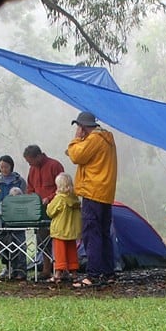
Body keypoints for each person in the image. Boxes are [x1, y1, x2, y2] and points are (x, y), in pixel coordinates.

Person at [66, 111, 117, 288]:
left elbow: (76, 156)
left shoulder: (94, 139)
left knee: (91, 233)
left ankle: (93, 275)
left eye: (79, 127)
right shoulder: (108, 138)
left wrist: (75, 139)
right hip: (105, 192)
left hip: (92, 191)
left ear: (83, 126)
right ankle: (108, 272)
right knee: (103, 233)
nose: (79, 131)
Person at [23, 144, 65, 280]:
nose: (30, 164)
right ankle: (46, 269)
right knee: (42, 240)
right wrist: (31, 200)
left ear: (39, 156)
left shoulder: (55, 165)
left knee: (59, 239)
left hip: (56, 209)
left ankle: (61, 269)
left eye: (31, 161)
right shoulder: (32, 170)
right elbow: (30, 188)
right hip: (39, 211)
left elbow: (62, 188)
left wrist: (49, 198)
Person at [0, 155, 28, 280]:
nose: (4, 169)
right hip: (3, 216)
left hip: (18, 217)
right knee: (5, 243)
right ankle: (8, 267)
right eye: (1, 167)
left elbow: (24, 198)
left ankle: (21, 269)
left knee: (20, 242)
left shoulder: (19, 181)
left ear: (11, 166)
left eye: (6, 166)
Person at [46, 172, 82, 283]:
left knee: (59, 252)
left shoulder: (59, 199)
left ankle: (58, 273)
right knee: (72, 251)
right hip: (72, 231)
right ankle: (74, 272)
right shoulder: (75, 199)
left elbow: (50, 212)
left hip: (60, 230)